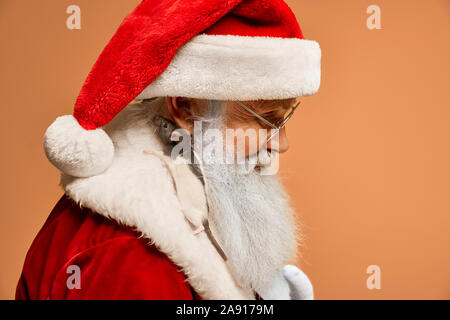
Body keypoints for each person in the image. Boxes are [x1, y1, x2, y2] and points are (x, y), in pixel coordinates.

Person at [16, 0, 321, 300]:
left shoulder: (195, 201)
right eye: (267, 119)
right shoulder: (133, 256)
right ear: (186, 109)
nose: (281, 144)